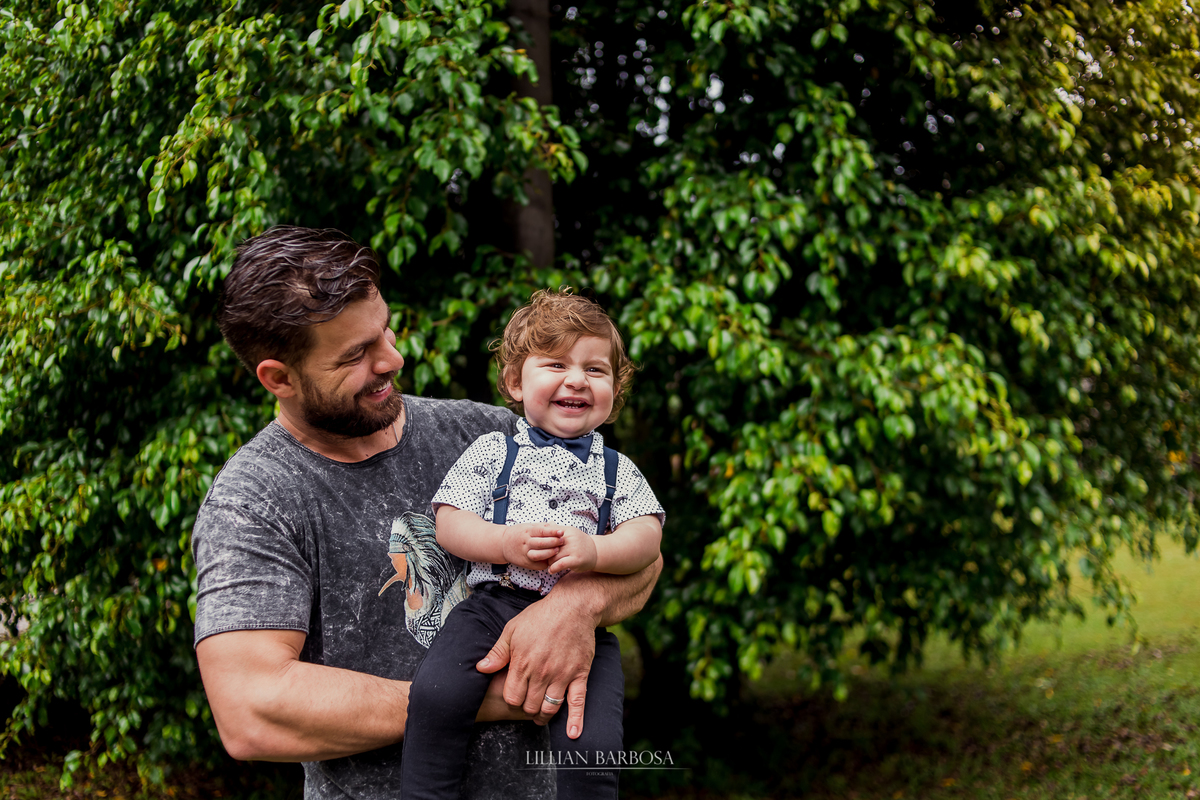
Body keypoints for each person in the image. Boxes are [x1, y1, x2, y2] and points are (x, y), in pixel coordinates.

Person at [191, 226, 662, 800]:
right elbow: (251, 711)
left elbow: (643, 558)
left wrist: (571, 608)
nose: (394, 358)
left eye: (384, 331)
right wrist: (472, 698)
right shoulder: (256, 497)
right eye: (356, 354)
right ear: (279, 378)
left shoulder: (486, 432)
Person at [400, 290, 664, 800]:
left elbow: (646, 540)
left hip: (582, 623)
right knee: (436, 695)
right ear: (515, 383)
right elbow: (449, 523)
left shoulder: (617, 471)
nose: (577, 380)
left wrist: (595, 552)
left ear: (614, 392)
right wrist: (504, 543)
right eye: (557, 364)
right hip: (491, 606)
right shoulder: (494, 450)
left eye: (595, 369)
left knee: (592, 744)